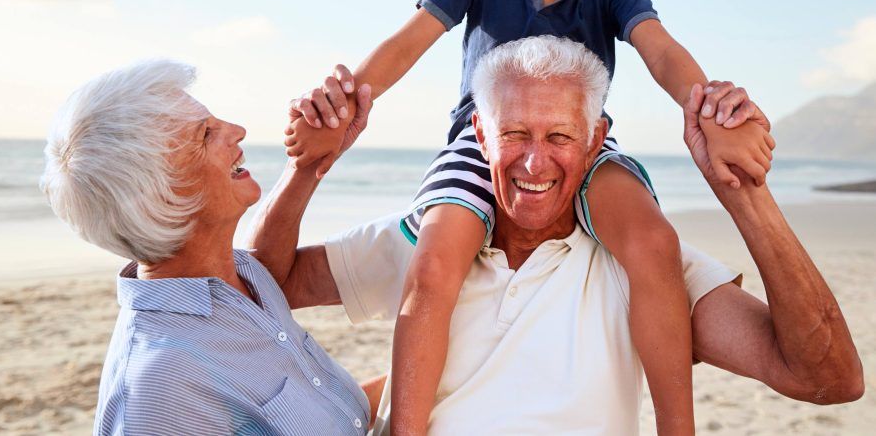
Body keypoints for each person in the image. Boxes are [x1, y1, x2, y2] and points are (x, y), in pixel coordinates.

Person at [282, 0, 774, 434]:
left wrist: (707, 102)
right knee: (433, 266)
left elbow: (661, 53)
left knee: (655, 242)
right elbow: (408, 43)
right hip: (480, 142)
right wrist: (346, 100)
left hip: (581, 145)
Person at [250, 37, 863, 435]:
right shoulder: (424, 243)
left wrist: (744, 194)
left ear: (597, 141)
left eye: (560, 137)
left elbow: (828, 378)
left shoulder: (645, 268)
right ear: (481, 139)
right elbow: (255, 287)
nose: (534, 163)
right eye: (514, 134)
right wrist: (306, 170)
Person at [39, 59, 380, 436]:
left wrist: (310, 161)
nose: (238, 131)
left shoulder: (246, 277)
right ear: (164, 196)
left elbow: (334, 419)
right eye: (205, 135)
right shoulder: (160, 388)